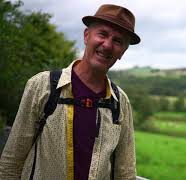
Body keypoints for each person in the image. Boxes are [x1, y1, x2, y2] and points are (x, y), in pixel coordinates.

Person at [0, 4, 140, 180]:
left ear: (123, 52)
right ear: (86, 35)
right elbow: (12, 161)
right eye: (102, 34)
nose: (107, 45)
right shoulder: (42, 86)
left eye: (118, 41)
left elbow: (125, 173)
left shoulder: (120, 102)